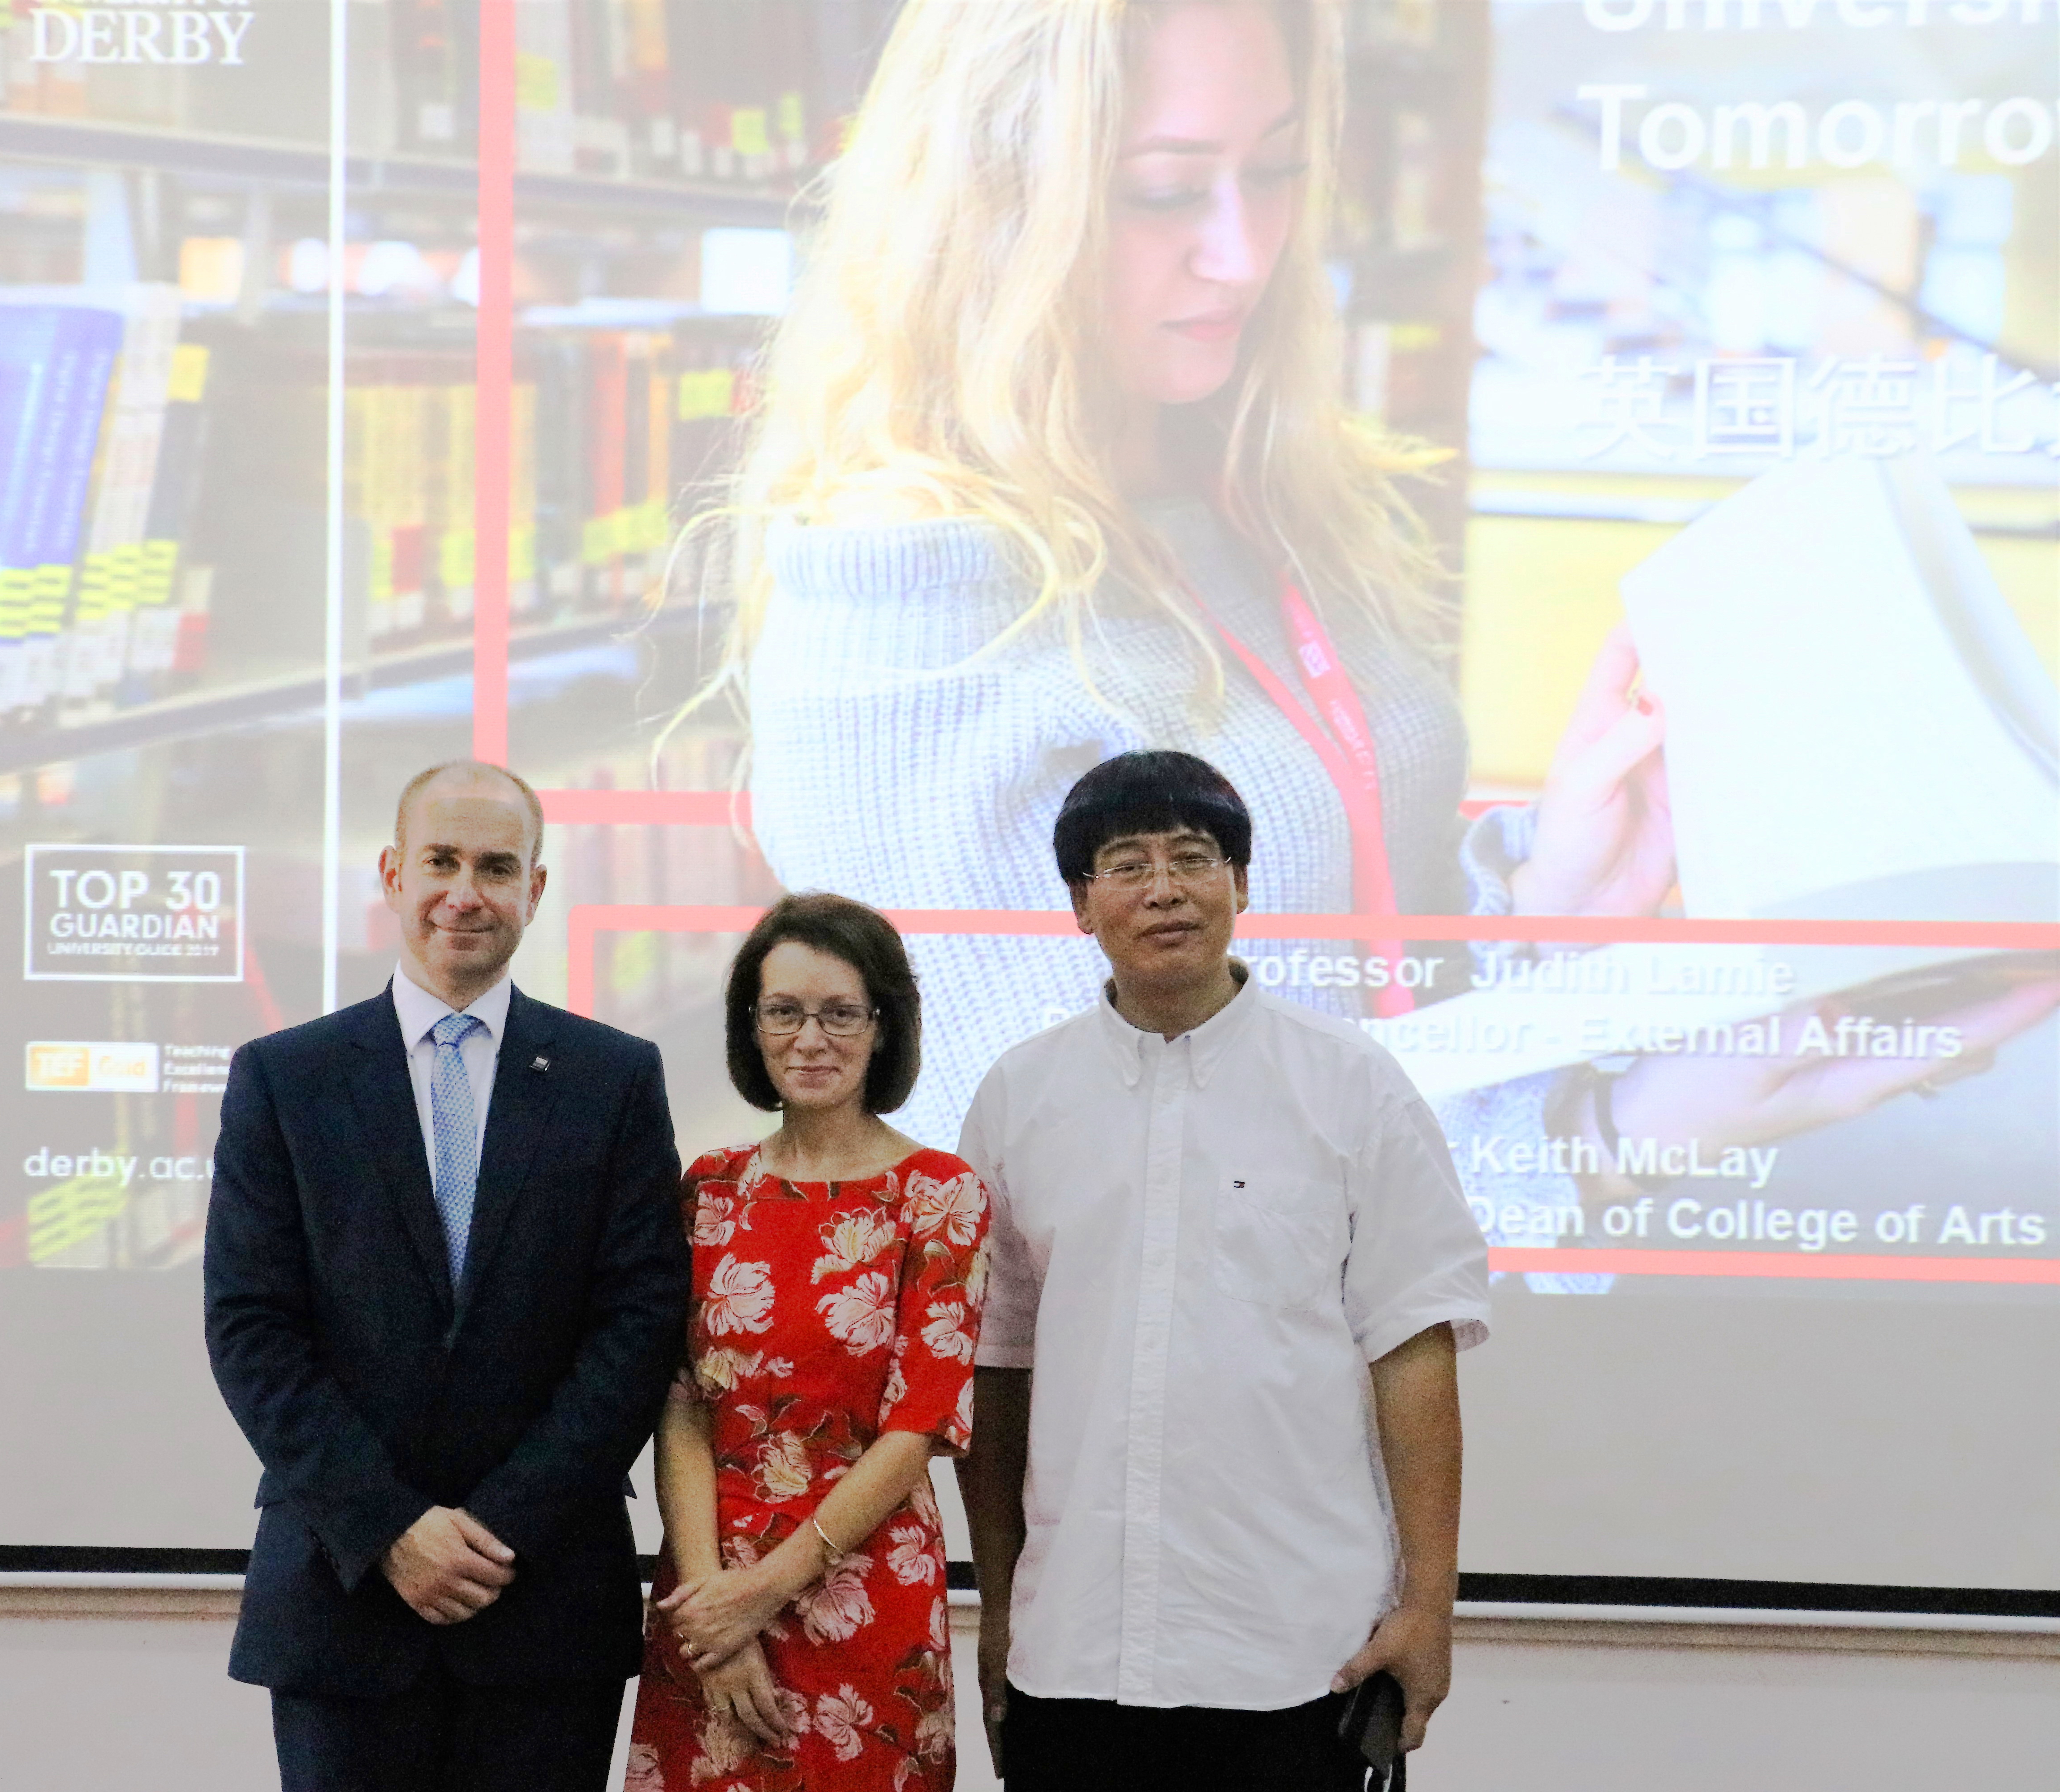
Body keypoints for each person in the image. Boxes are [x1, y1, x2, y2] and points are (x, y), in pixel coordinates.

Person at [713, 0, 2060, 1279]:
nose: (1245, 251)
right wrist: (1607, 1141)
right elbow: (1111, 1220)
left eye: (1276, 170)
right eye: (1166, 191)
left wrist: (1540, 899)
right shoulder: (904, 601)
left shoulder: (1234, 484)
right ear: (988, 209)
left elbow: (1331, 996)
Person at [957, 750, 1489, 1789]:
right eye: (1127, 864)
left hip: (1297, 1647)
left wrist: (1430, 1605)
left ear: (1241, 883)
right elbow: (997, 1363)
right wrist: (1004, 1603)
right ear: (1081, 904)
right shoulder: (1021, 1096)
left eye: (1194, 857)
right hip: (1076, 1645)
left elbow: (1415, 1348)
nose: (1165, 888)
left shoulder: (1351, 1083)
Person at [204, 759, 691, 1792]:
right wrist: (390, 1527)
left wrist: (501, 1526)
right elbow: (251, 1327)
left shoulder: (613, 1078)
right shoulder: (286, 1078)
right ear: (393, 873)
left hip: (543, 1598)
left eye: (496, 866)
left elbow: (640, 1322)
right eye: (440, 860)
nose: (464, 892)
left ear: (535, 889)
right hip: (344, 1594)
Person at [625, 894, 991, 1792]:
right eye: (784, 1011)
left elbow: (917, 1428)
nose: (810, 1039)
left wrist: (766, 1589)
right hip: (707, 1600)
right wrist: (716, 1613)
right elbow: (682, 1408)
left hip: (863, 1595)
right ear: (751, 1026)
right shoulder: (711, 1188)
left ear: (883, 1026)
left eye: (841, 1013)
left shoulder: (939, 1195)